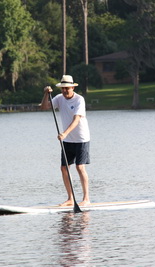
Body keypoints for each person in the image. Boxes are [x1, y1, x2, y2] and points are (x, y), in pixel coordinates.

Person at [41, 75, 91, 207]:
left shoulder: (79, 100)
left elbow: (76, 120)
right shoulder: (58, 98)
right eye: (62, 88)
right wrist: (46, 94)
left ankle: (86, 199)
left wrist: (64, 133)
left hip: (81, 139)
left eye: (67, 88)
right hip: (67, 140)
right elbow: (44, 107)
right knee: (64, 168)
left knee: (80, 167)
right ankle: (70, 198)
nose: (64, 91)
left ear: (73, 87)